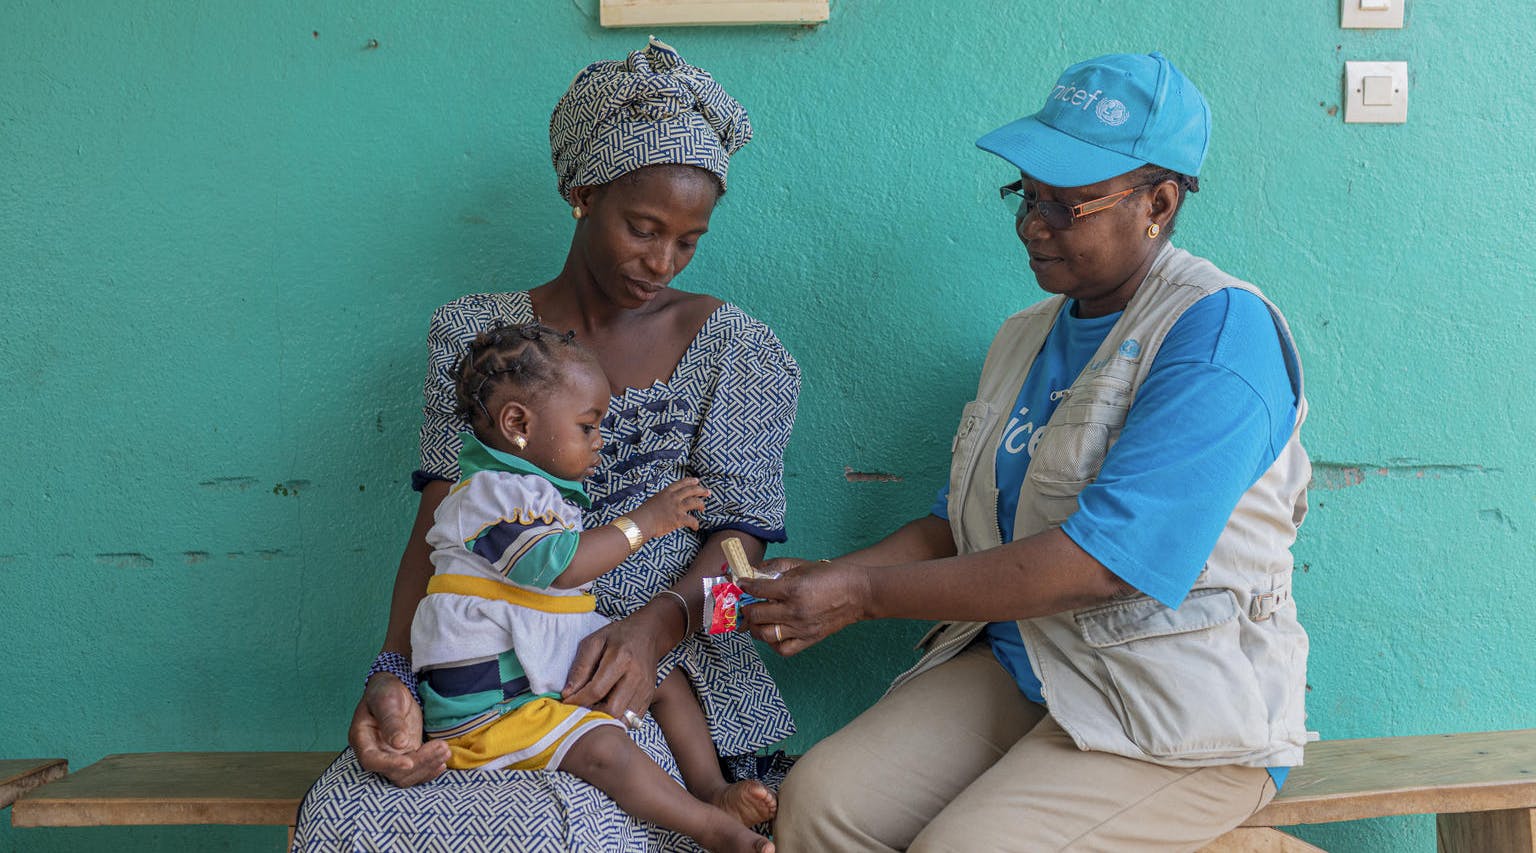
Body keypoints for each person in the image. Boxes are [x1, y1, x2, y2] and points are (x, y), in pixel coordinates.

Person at [741, 52, 1312, 852]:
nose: (1032, 223)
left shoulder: (1219, 334)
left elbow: (1106, 561)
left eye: (1068, 203)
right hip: (1027, 667)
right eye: (1027, 194)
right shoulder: (1025, 336)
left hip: (1173, 706)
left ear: (1159, 201)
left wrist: (865, 594)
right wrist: (827, 580)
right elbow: (961, 523)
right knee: (820, 806)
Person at [295, 37, 800, 852]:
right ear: (579, 192)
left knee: (561, 825)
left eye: (689, 240)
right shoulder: (478, 342)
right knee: (360, 817)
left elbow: (743, 555)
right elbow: (439, 524)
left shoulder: (740, 350)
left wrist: (658, 624)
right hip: (480, 668)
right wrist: (394, 671)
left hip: (650, 676)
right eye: (642, 227)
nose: (661, 261)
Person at [410, 322, 774, 853]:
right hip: (492, 706)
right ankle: (711, 831)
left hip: (530, 659)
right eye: (588, 425)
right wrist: (644, 522)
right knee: (604, 749)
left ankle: (711, 789)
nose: (599, 440)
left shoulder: (530, 489)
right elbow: (558, 567)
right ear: (518, 423)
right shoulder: (486, 495)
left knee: (663, 671)